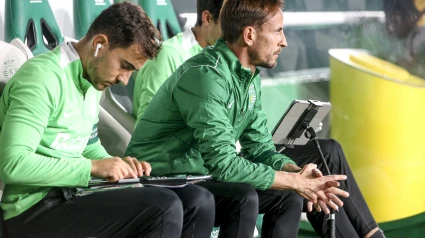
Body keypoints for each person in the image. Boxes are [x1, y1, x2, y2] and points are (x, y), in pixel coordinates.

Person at [125, 0, 374, 237]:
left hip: (201, 177)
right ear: (249, 35)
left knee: (289, 194)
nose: (284, 42)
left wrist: (296, 173)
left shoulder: (248, 77)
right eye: (277, 31)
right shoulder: (206, 76)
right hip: (164, 180)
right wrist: (294, 181)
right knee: (245, 197)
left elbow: (261, 149)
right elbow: (223, 163)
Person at [0, 3, 214, 238]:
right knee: (163, 206)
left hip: (74, 194)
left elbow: (88, 145)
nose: (124, 80)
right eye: (124, 66)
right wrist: (92, 167)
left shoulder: (93, 78)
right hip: (32, 210)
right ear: (99, 45)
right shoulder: (41, 78)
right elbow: (13, 164)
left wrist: (118, 165)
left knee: (197, 199)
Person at [133, 0, 224, 120]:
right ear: (207, 18)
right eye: (229, 22)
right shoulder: (169, 55)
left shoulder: (231, 58)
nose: (237, 30)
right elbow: (148, 132)